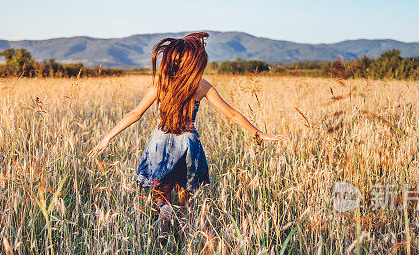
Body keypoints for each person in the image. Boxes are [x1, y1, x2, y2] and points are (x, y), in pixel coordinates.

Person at [88, 32, 285, 238]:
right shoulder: (202, 85)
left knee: (162, 196)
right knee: (184, 201)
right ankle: (184, 242)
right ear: (195, 61)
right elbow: (233, 114)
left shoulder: (162, 83)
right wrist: (259, 133)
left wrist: (107, 137)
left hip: (160, 142)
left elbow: (135, 113)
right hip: (188, 143)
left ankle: (162, 238)